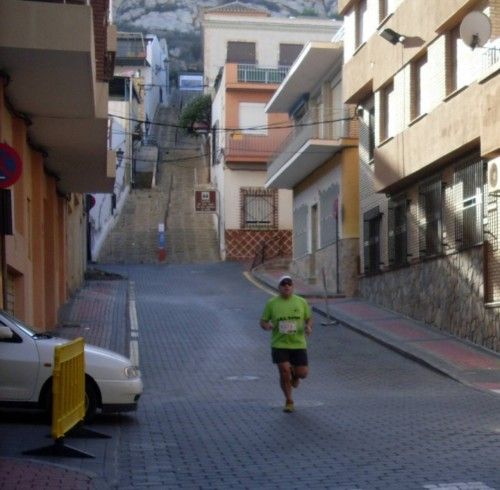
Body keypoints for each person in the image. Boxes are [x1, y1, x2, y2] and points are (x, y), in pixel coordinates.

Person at [260, 275, 313, 413]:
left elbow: (309, 319)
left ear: (293, 287)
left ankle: (295, 375)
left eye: (289, 284)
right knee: (284, 371)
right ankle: (289, 400)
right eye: (283, 284)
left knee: (303, 374)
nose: (286, 286)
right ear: (279, 288)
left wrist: (308, 327)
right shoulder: (272, 303)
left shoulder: (301, 302)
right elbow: (263, 321)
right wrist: (267, 326)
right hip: (279, 344)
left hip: (298, 344)